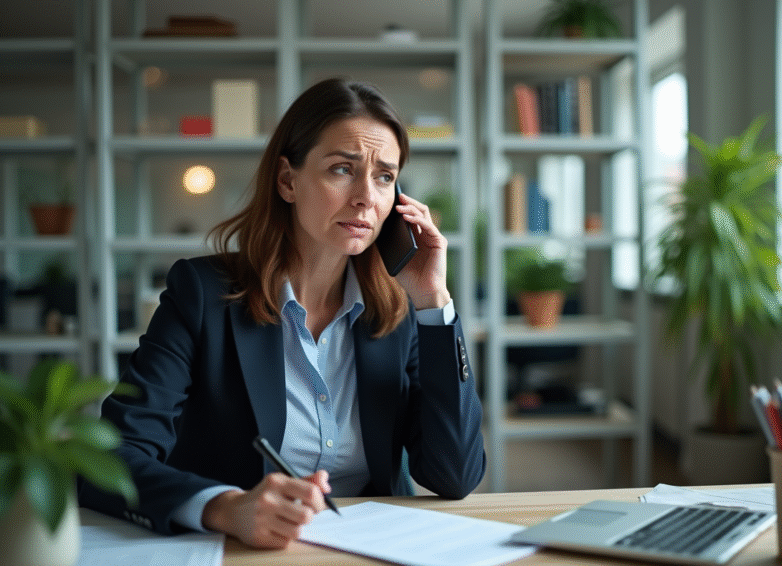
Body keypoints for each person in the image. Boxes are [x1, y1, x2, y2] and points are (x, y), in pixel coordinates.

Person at [78, 78, 486, 549]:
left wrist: (434, 300)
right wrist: (223, 506)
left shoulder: (399, 311)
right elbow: (109, 459)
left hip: (372, 551)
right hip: (246, 551)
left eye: (384, 177)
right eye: (341, 169)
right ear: (288, 181)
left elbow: (455, 475)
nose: (366, 198)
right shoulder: (202, 295)